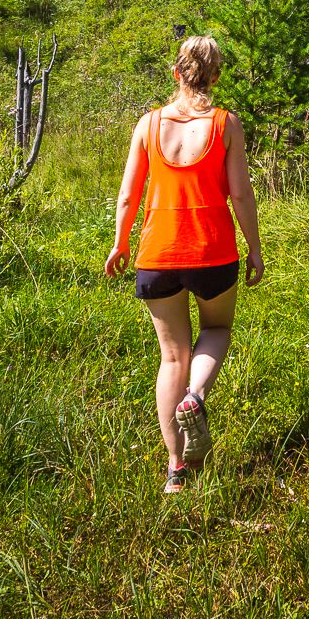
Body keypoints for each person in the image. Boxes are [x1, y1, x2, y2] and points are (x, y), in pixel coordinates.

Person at [105, 36, 264, 494]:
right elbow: (241, 193)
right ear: (215, 77)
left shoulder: (148, 124)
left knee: (171, 356)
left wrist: (120, 244)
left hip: (157, 254)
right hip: (212, 252)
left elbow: (127, 195)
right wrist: (254, 248)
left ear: (176, 73)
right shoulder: (224, 124)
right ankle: (194, 398)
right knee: (216, 330)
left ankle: (176, 470)